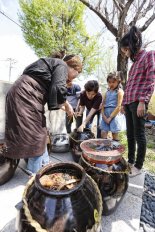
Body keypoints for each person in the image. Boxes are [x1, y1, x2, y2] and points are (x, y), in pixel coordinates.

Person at [4, 53, 82, 174]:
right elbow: (58, 87)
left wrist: (62, 105)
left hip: (21, 94)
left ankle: (44, 164)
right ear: (73, 67)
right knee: (37, 135)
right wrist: (66, 105)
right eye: (76, 74)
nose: (73, 79)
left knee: (41, 132)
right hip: (26, 96)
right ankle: (34, 173)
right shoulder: (61, 64)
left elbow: (53, 93)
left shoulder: (52, 66)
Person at [120, 26, 155, 177]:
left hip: (138, 102)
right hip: (128, 103)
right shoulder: (133, 64)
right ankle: (130, 161)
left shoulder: (149, 55)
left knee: (139, 134)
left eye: (126, 51)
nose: (126, 55)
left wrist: (143, 101)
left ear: (131, 46)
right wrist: (123, 104)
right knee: (130, 134)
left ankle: (138, 166)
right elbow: (129, 85)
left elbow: (151, 79)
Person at [100, 71, 124, 141]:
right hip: (105, 115)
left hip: (114, 115)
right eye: (109, 82)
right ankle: (105, 147)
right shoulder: (106, 92)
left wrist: (110, 117)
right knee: (103, 132)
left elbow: (119, 106)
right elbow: (103, 104)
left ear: (118, 82)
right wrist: (103, 115)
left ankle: (115, 148)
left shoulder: (119, 92)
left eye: (113, 82)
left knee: (114, 133)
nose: (111, 84)